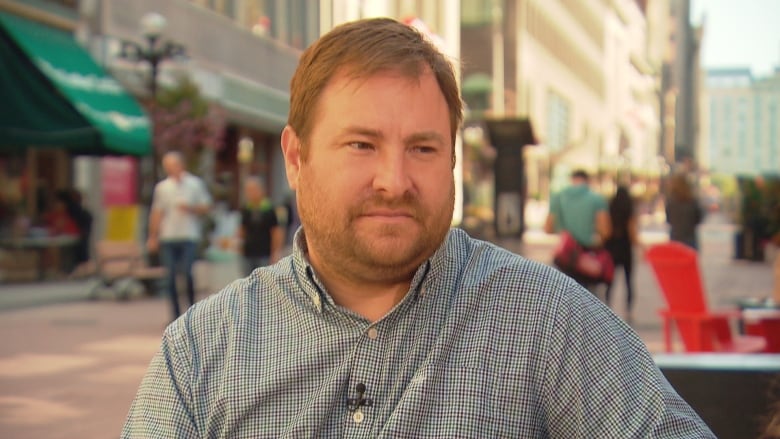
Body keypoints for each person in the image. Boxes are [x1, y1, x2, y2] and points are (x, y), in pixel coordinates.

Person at [123, 18, 713, 437]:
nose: (394, 180)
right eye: (362, 144)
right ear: (296, 158)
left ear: (452, 161)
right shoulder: (202, 352)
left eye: (424, 149)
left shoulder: (548, 323)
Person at [146, 151, 212, 320]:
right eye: (167, 166)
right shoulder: (162, 187)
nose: (170, 169)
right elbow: (157, 212)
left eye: (173, 165)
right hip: (168, 236)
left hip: (188, 235)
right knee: (170, 277)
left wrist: (190, 208)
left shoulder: (194, 184)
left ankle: (192, 314)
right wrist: (153, 236)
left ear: (181, 165)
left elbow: (206, 207)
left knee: (188, 273)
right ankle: (175, 316)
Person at [544, 169, 612, 288]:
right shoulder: (597, 199)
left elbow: (548, 228)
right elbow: (605, 231)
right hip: (586, 258)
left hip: (564, 257)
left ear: (572, 180)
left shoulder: (558, 197)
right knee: (587, 300)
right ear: (587, 181)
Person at [604, 185, 639, 321]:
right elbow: (632, 231)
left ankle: (607, 306)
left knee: (610, 281)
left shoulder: (610, 207)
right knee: (629, 281)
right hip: (625, 248)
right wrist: (639, 245)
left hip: (612, 248)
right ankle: (628, 310)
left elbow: (606, 229)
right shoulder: (629, 209)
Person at [237, 176, 284, 275]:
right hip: (248, 252)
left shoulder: (269, 209)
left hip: (264, 253)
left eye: (253, 190)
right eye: (248, 190)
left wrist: (275, 252)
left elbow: (276, 232)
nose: (251, 193)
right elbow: (242, 229)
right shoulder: (246, 209)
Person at [665, 172, 703, 250]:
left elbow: (668, 220)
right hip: (690, 238)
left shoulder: (671, 202)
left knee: (675, 261)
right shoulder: (692, 202)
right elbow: (698, 219)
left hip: (675, 238)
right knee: (689, 260)